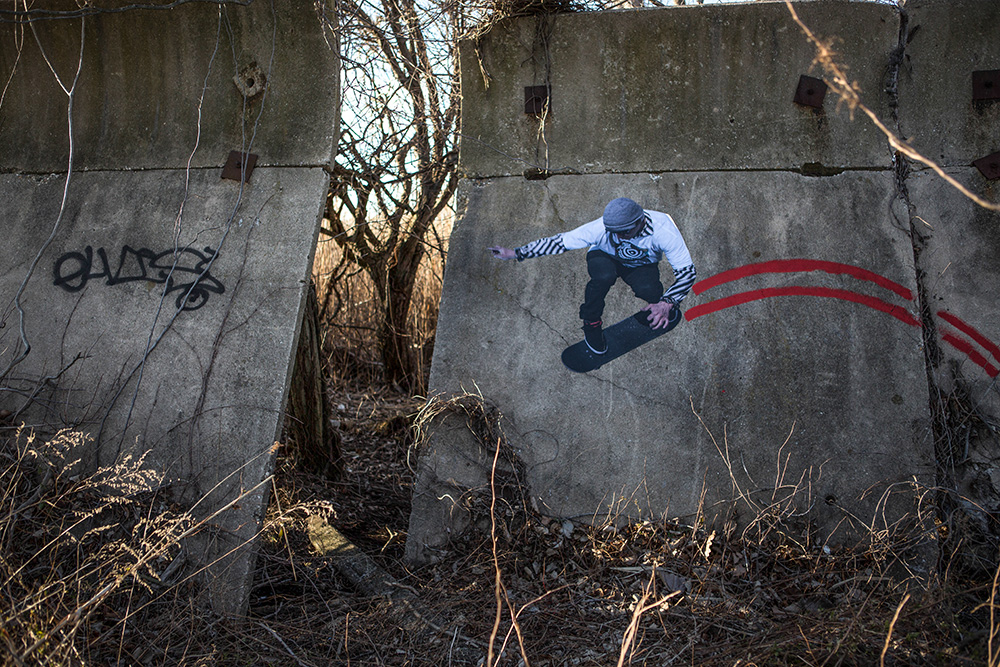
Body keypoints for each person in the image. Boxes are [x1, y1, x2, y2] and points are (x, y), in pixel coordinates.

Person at [488, 197, 696, 355]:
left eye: (623, 232)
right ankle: (591, 322)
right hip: (603, 257)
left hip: (641, 264)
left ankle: (657, 308)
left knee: (652, 292)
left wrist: (667, 302)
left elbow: (687, 272)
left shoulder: (664, 230)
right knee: (603, 277)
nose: (617, 237)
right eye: (612, 232)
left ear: (639, 222)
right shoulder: (600, 229)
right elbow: (560, 242)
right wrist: (516, 253)